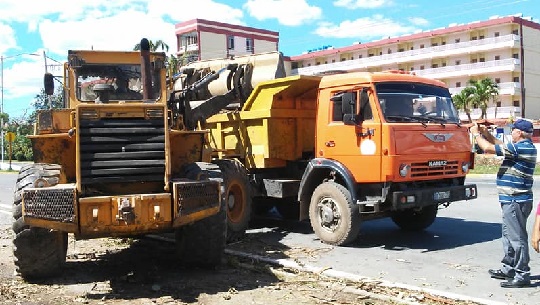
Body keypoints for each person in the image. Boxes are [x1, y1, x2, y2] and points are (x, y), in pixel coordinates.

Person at [470, 118, 537, 288]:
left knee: (517, 238)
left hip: (516, 199)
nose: (511, 132)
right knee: (508, 235)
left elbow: (488, 148)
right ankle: (509, 268)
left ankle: (522, 274)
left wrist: (476, 134)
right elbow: (499, 143)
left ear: (519, 132)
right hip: (511, 199)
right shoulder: (519, 147)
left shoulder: (522, 147)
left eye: (513, 130)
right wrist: (486, 133)